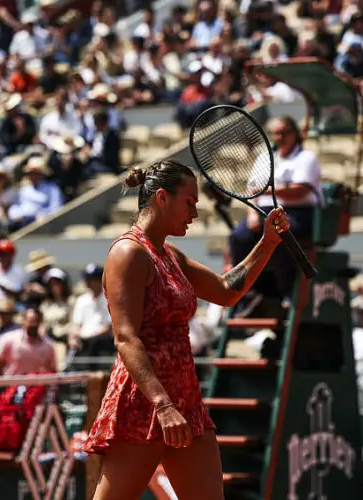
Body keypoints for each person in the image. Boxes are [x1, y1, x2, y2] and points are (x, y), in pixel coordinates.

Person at [84, 159, 292, 499]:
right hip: (145, 401)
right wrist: (163, 406)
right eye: (190, 202)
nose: (195, 212)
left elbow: (226, 291)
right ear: (162, 198)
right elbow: (126, 338)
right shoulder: (127, 253)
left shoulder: (169, 255)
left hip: (186, 399)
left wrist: (268, 241)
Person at [229, 115, 322, 303]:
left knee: (280, 235)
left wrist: (268, 190)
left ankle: (285, 290)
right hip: (264, 211)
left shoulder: (306, 158)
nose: (279, 138)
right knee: (239, 236)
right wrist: (253, 214)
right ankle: (250, 290)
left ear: (294, 134)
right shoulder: (265, 157)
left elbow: (300, 190)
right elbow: (252, 189)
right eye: (274, 134)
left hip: (298, 214)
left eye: (283, 133)